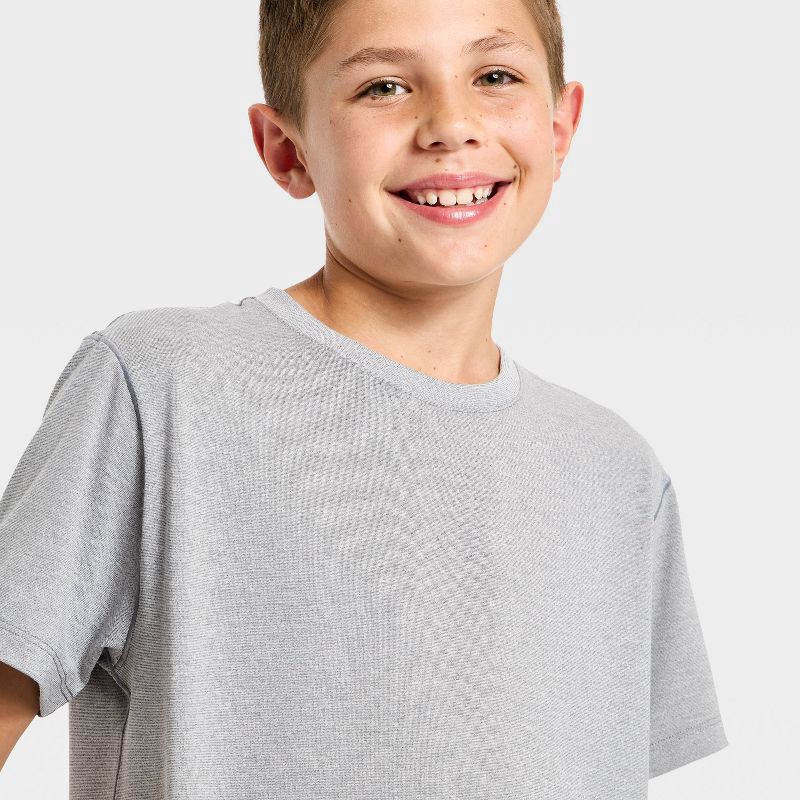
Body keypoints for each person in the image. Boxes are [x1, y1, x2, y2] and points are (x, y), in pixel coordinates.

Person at [0, 0, 728, 796]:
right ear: (287, 150)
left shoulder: (616, 471)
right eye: (384, 87)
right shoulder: (161, 387)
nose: (451, 125)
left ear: (560, 126)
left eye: (495, 76)